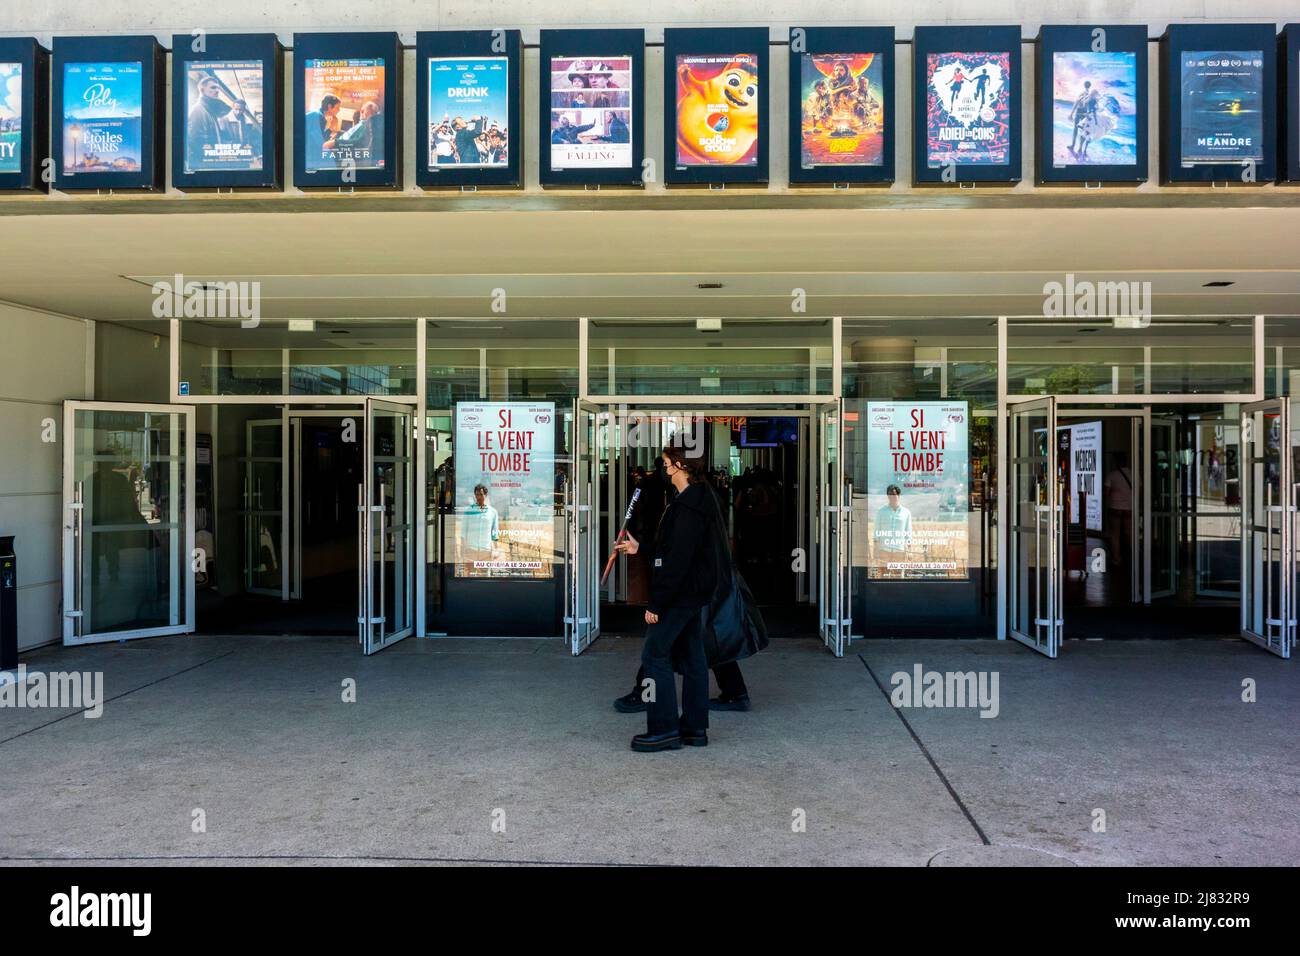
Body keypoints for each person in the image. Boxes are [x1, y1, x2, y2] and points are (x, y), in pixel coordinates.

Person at [613, 445, 718, 752]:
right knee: (693, 659)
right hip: (691, 594)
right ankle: (695, 729)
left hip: (679, 596)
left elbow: (677, 562)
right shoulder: (695, 501)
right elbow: (674, 550)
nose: (661, 469)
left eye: (665, 463)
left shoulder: (687, 507)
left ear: (679, 466)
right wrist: (641, 549)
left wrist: (656, 604)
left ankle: (664, 729)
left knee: (654, 656)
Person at [1104, 452, 1133, 570]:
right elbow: (1140, 492)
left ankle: (1116, 559)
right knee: (1129, 533)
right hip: (1130, 508)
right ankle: (1132, 557)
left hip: (1115, 508)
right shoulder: (1134, 474)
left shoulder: (1112, 475)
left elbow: (1106, 492)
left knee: (1115, 534)